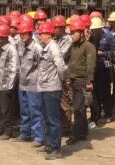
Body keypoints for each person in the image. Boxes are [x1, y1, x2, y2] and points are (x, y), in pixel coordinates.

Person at [37, 20, 67, 160]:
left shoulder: (54, 48)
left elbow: (61, 67)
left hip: (52, 88)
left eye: (41, 34)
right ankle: (49, 144)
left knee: (53, 120)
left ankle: (56, 149)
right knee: (47, 118)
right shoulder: (46, 47)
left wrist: (60, 81)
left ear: (48, 34)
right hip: (44, 87)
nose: (39, 36)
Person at [65, 17, 96, 145]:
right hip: (73, 80)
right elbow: (66, 58)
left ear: (82, 33)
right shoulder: (73, 46)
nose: (72, 35)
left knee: (78, 109)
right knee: (80, 108)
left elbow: (90, 65)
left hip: (82, 81)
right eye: (71, 33)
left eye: (74, 33)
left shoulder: (89, 47)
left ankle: (75, 134)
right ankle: (83, 132)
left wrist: (89, 81)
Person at [15, 18, 44, 146]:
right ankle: (25, 133)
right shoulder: (20, 45)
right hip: (22, 84)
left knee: (35, 111)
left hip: (33, 85)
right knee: (24, 111)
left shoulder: (37, 47)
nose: (22, 36)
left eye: (24, 33)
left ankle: (39, 137)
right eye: (21, 33)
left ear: (31, 33)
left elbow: (42, 66)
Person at [0, 24, 19, 139]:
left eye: (0, 37)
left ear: (6, 37)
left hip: (5, 85)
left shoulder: (11, 49)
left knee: (6, 109)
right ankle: (0, 127)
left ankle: (8, 130)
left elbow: (14, 68)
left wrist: (10, 85)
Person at [89, 16, 115, 127]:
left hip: (105, 67)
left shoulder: (109, 36)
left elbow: (113, 53)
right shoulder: (90, 37)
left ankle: (108, 114)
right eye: (93, 30)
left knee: (105, 92)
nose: (94, 32)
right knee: (94, 93)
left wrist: (103, 53)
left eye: (96, 30)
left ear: (100, 28)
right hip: (94, 68)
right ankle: (96, 115)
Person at [55, 14, 74, 136]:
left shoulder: (68, 40)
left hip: (65, 74)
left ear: (62, 28)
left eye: (56, 28)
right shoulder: (55, 39)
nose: (53, 30)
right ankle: (60, 125)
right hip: (56, 73)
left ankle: (67, 127)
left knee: (64, 101)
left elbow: (60, 54)